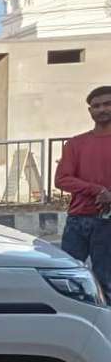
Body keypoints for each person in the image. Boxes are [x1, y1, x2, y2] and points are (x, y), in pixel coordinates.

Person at [54, 85, 111, 294]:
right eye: (96, 106)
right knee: (67, 277)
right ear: (90, 111)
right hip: (78, 221)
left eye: (107, 104)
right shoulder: (75, 144)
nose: (102, 109)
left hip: (108, 222)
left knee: (106, 281)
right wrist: (97, 190)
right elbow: (61, 180)